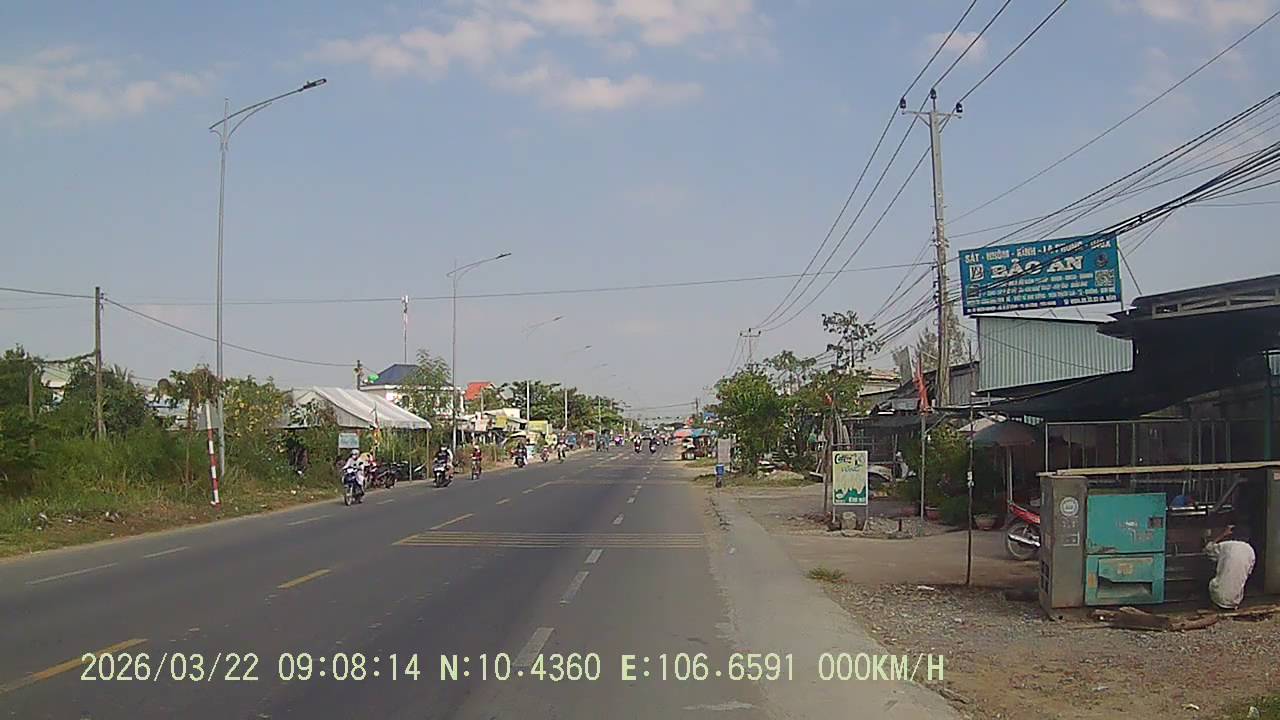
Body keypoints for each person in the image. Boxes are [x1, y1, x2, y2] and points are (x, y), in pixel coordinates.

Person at [1204, 525, 1256, 610]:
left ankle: (1214, 605)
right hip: (1236, 600)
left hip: (1218, 597)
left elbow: (1207, 549)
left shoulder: (1226, 545)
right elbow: (1248, 573)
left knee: (1211, 579)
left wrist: (1223, 534)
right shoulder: (1251, 551)